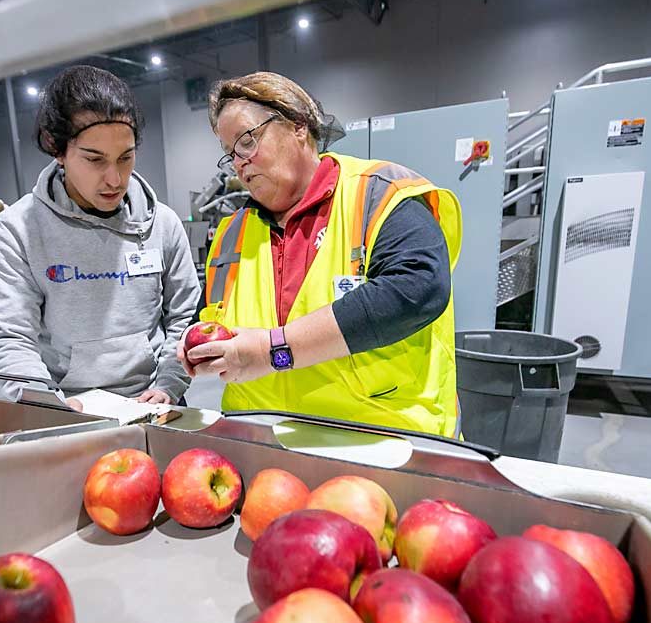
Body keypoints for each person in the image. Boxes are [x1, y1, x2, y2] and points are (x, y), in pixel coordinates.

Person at [180, 71, 462, 437]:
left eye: (247, 140)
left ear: (298, 125)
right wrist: (203, 351)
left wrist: (272, 351)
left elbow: (417, 288)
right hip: (263, 445)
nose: (239, 162)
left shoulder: (379, 194)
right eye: (229, 153)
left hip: (378, 443)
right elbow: (214, 318)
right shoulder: (231, 235)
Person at [0, 65, 199, 406]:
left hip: (156, 404)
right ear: (58, 149)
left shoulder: (163, 224)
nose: (115, 179)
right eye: (94, 159)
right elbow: (10, 336)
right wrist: (46, 403)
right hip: (68, 407)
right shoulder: (18, 230)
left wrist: (170, 384)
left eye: (125, 158)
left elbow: (185, 316)